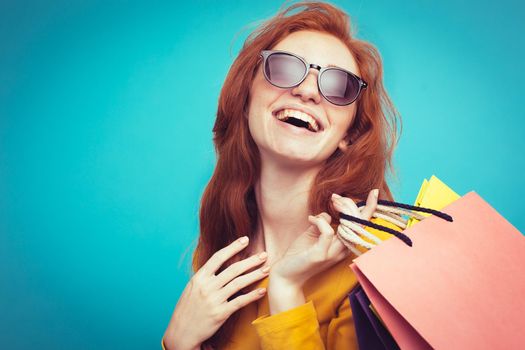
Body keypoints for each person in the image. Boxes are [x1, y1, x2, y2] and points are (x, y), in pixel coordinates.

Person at [162, 1, 400, 349]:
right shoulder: (221, 255)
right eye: (286, 69)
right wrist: (179, 344)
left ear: (350, 134)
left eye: (339, 85)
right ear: (245, 99)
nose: (307, 91)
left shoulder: (376, 257)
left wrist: (286, 290)